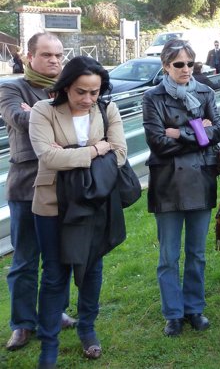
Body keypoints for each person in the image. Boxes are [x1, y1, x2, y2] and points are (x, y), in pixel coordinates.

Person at [29, 56, 128, 368]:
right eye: (80, 92)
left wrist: (69, 153)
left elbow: (122, 155)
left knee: (92, 270)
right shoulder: (43, 111)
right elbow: (47, 156)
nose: (88, 99)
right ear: (66, 87)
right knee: (55, 274)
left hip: (93, 203)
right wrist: (97, 149)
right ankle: (49, 346)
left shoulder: (107, 109)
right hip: (51, 205)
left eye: (94, 92)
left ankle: (87, 328)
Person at [0, 33, 77, 353]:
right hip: (27, 186)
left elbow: (80, 125)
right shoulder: (10, 88)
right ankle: (21, 323)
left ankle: (53, 311)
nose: (55, 61)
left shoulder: (68, 89)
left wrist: (40, 112)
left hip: (62, 184)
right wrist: (56, 114)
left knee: (59, 257)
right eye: (47, 55)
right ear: (29, 57)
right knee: (25, 259)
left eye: (59, 56)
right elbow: (18, 119)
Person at [142, 39, 220, 337]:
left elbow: (218, 131)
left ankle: (194, 309)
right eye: (179, 64)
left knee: (197, 252)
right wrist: (199, 133)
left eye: (191, 64)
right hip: (167, 183)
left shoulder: (205, 92)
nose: (186, 69)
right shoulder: (152, 97)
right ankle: (173, 314)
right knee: (168, 255)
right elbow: (157, 142)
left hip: (200, 179)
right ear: (166, 66)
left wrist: (180, 132)